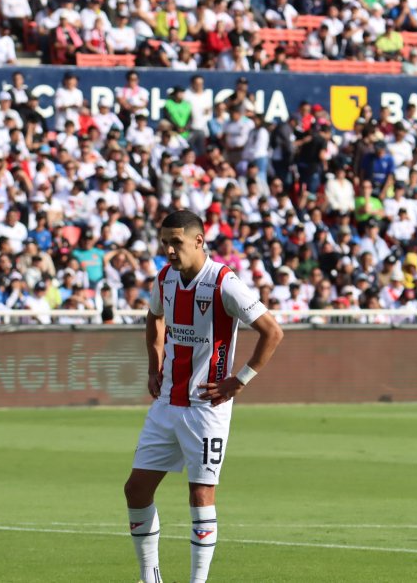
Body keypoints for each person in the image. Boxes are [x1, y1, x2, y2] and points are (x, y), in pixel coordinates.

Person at [123, 210, 284, 583]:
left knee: (200, 495)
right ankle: (150, 578)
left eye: (176, 242)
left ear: (198, 241)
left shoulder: (224, 283)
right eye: (165, 243)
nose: (169, 250)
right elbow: (154, 318)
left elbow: (272, 331)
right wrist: (154, 366)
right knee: (136, 489)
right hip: (167, 401)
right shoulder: (165, 278)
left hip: (206, 408)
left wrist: (239, 380)